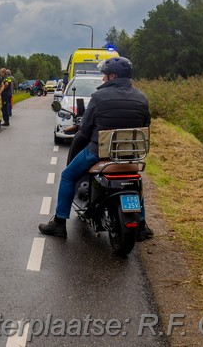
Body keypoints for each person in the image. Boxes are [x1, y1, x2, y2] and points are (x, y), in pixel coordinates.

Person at [38, 57, 152, 239]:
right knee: (135, 181)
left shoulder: (98, 97)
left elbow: (85, 129)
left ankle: (59, 223)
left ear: (113, 76)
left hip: (99, 153)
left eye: (105, 75)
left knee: (67, 175)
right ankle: (142, 225)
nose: (103, 79)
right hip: (129, 155)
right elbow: (146, 124)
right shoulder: (141, 97)